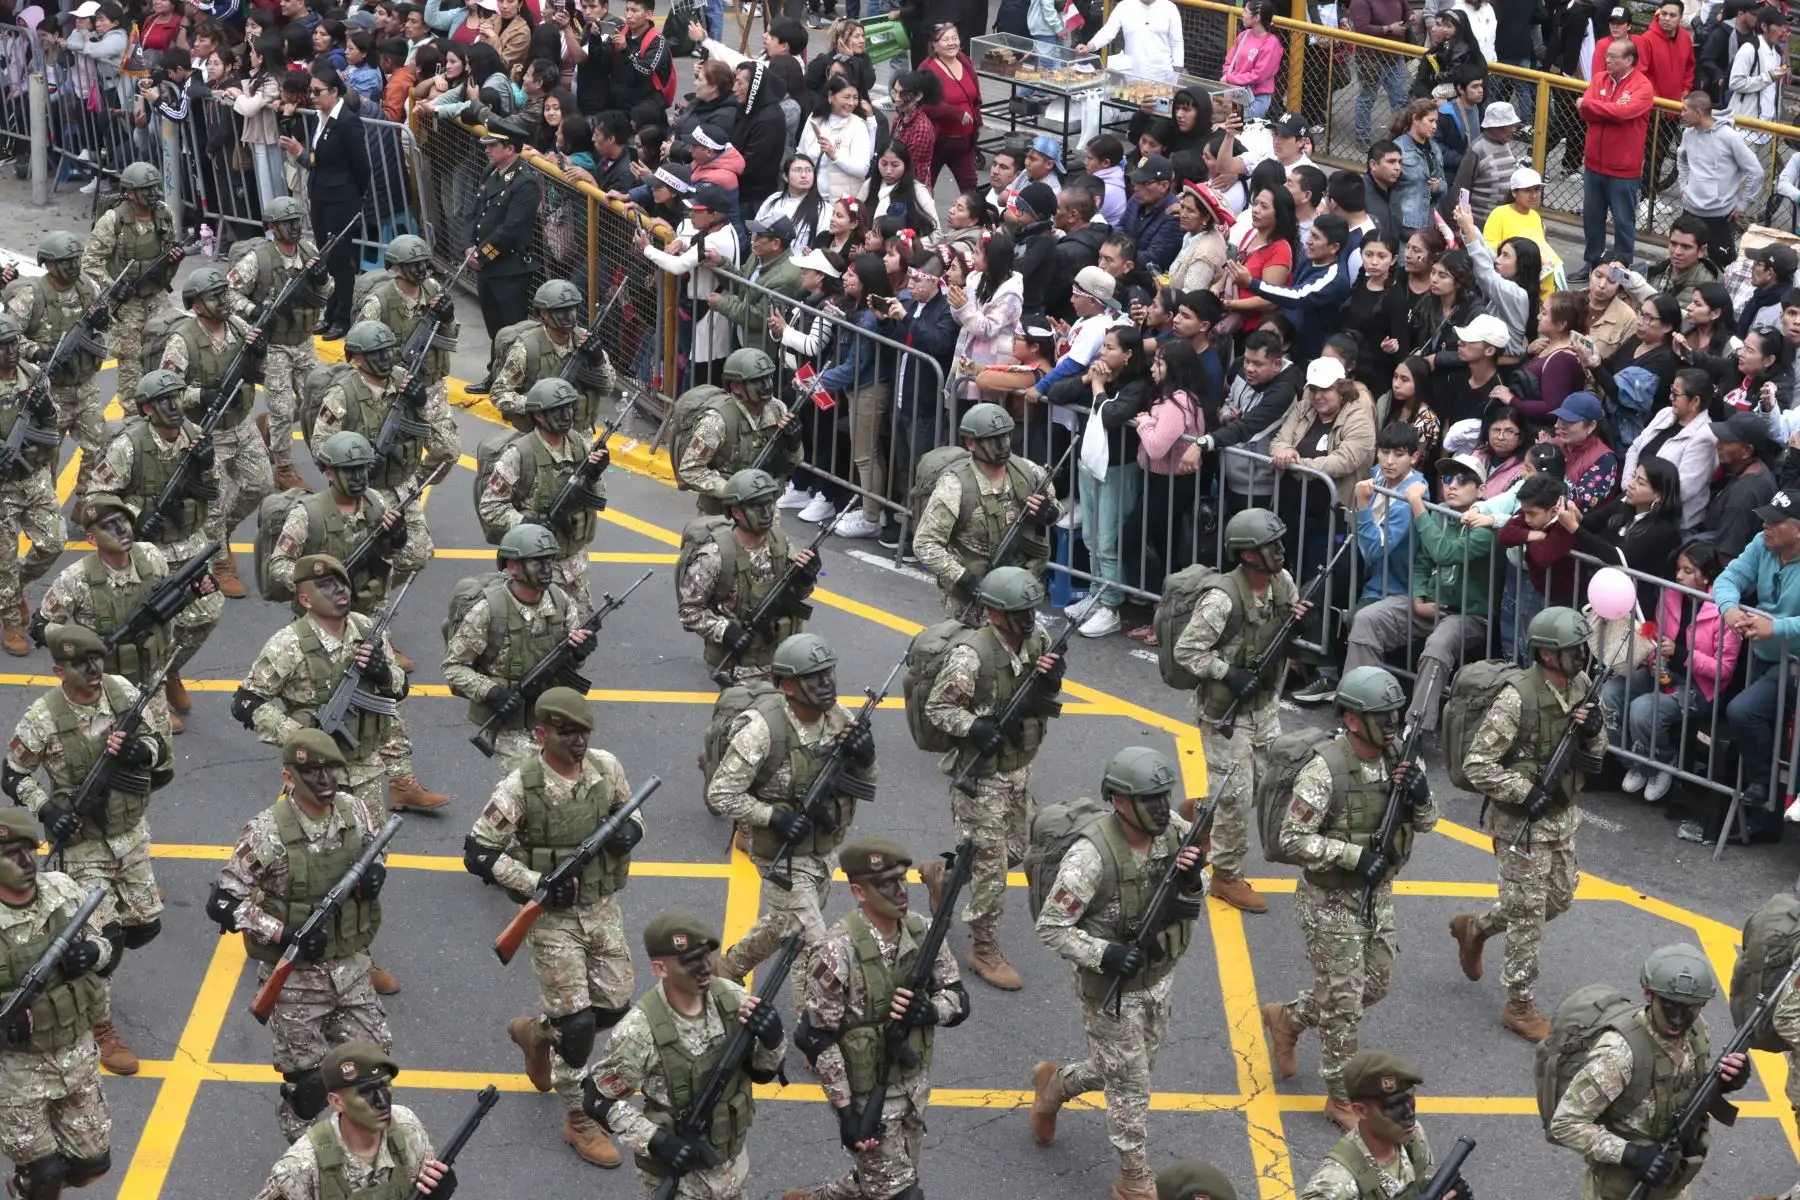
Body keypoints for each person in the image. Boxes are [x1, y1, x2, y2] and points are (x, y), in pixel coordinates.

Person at [463, 686, 641, 1167]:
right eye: (567, 732)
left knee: (614, 1005)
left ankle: (537, 1035)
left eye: (584, 732)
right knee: (578, 1024)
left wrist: (632, 829)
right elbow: (478, 853)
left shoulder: (606, 766)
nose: (578, 741)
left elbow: (630, 808)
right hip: (551, 918)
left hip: (602, 907)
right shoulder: (521, 786)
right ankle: (579, 1119)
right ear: (541, 732)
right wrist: (536, 882)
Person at [1263, 669, 1437, 1126]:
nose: (1391, 723)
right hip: (1330, 901)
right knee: (1343, 1003)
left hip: (1377, 896)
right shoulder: (1326, 770)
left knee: (1374, 986)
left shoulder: (1402, 757)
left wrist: (1420, 796)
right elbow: (1292, 838)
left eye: (1394, 713)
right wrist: (1350, 855)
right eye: (1381, 715)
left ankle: (1290, 1018)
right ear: (1352, 720)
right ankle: (1339, 1097)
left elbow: (1429, 822)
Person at [1030, 746, 1206, 1200]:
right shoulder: (1089, 859)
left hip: (1157, 978)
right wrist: (1104, 954)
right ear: (1120, 802)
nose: (1162, 808)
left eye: (1165, 796)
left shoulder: (1173, 831)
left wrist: (1192, 878)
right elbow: (1051, 928)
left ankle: (1055, 1087)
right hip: (1109, 989)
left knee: (1134, 1068)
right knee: (1131, 1088)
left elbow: (1195, 887)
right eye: (1150, 799)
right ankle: (1133, 1181)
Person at [5, 622, 171, 1076]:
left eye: (96, 659)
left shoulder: (122, 693)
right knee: (104, 939)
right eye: (80, 664)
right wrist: (46, 811)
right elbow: (13, 772)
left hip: (131, 836)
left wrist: (143, 752)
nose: (93, 669)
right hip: (81, 848)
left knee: (143, 928)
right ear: (60, 669)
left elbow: (162, 751)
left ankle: (82, 981)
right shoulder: (43, 717)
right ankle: (100, 1027)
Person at [211, 729, 395, 1140]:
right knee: (311, 1088)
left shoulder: (352, 810)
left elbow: (374, 848)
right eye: (312, 770)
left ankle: (360, 1149)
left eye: (332, 767)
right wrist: (283, 933)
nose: (326, 778)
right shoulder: (266, 833)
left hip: (350, 967)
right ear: (289, 778)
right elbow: (223, 901)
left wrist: (376, 871)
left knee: (372, 1070)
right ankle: (305, 1150)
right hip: (295, 981)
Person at [1448, 606, 1608, 1041]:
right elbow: (1478, 764)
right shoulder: (1517, 697)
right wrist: (1523, 791)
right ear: (1546, 655)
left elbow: (1598, 751)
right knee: (1528, 915)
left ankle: (1475, 929)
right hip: (1521, 826)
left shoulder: (1581, 686)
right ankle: (1520, 1004)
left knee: (1558, 899)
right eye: (1571, 650)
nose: (1581, 656)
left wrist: (1594, 729)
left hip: (1562, 819)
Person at [785, 835, 966, 1200]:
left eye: (902, 880)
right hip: (865, 1093)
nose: (900, 891)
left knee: (890, 1178)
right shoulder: (836, 952)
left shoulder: (923, 932)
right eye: (885, 884)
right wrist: (847, 1112)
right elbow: (815, 1037)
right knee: (902, 1194)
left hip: (914, 1084)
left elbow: (959, 997)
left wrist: (932, 1009)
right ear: (858, 892)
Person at [709, 631, 875, 1009]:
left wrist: (866, 757)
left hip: (823, 847)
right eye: (815, 677)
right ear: (787, 685)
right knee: (815, 945)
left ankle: (729, 966)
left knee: (785, 922)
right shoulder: (763, 730)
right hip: (780, 853)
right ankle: (813, 1025)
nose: (827, 683)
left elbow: (866, 782)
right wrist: (772, 817)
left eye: (829, 673)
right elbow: (720, 793)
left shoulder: (840, 718)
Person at [919, 567, 1065, 990]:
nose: (1029, 618)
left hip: (1019, 767)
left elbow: (1042, 688)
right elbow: (938, 709)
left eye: (1031, 609)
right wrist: (974, 727)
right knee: (992, 868)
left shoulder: (1036, 640)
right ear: (994, 614)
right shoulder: (970, 656)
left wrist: (1053, 678)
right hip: (981, 777)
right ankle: (984, 946)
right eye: (1019, 611)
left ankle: (944, 877)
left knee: (1016, 848)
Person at [579, 911, 787, 1197]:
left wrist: (773, 1040)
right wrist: (656, 1141)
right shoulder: (640, 1031)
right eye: (689, 962)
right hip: (679, 1180)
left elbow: (761, 1073)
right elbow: (597, 1099)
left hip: (731, 1166)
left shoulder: (731, 999)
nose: (703, 969)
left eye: (705, 957)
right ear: (660, 969)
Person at [235, 550, 446, 819]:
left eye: (342, 582)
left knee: (372, 854)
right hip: (316, 776)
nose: (339, 590)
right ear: (305, 599)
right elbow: (245, 702)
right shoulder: (288, 644)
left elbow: (399, 690)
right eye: (325, 586)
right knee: (317, 852)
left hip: (367, 771)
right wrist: (301, 738)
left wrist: (384, 674)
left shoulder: (365, 628)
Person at [1170, 509, 1304, 913]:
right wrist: (1227, 673)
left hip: (1263, 705)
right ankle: (1225, 875)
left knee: (1264, 784)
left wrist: (1296, 623)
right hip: (1225, 711)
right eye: (1270, 546)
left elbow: (1282, 624)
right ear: (1247, 555)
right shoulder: (1221, 599)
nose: (1280, 551)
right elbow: (1187, 651)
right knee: (1237, 794)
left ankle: (1201, 810)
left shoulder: (1282, 583)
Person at [1548, 944, 1752, 1199]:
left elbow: (1686, 1085)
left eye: (1690, 1007)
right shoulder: (1618, 1054)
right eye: (1669, 1005)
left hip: (1671, 1183)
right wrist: (1629, 1153)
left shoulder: (1697, 1031)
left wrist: (1727, 1080)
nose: (1678, 1019)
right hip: (1620, 1189)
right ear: (1647, 994)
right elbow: (1565, 1123)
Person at [88, 372, 225, 724]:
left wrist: (207, 466)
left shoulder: (195, 437)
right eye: (165, 400)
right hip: (146, 549)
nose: (175, 406)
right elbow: (96, 497)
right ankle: (154, 693)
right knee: (153, 625)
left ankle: (170, 669)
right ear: (147, 408)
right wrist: (135, 514)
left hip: (189, 542)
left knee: (207, 611)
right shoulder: (129, 445)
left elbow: (217, 491)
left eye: (178, 397)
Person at [0, 808, 116, 1199]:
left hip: (76, 1054)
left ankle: (28, 1187)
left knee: (94, 1163)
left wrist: (91, 952)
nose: (26, 862)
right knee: (45, 1173)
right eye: (11, 854)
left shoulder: (64, 890)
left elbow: (108, 940)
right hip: (17, 1071)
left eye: (30, 850)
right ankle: (31, 1186)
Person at [1348, 455, 1495, 728]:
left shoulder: (1485, 522)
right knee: (1367, 619)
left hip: (1468, 614)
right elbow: (1423, 564)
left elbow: (1445, 553)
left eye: (1462, 480)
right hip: (1428, 604)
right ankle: (1359, 707)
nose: (1452, 485)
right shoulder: (1437, 512)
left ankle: (1415, 730)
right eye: (1447, 479)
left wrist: (1417, 505)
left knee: (1438, 645)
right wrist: (1417, 599)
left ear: (1481, 489)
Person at [153, 265, 273, 600]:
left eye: (224, 293)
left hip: (241, 423)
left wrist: (258, 356)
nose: (223, 300)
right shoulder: (182, 342)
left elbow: (260, 373)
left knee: (261, 484)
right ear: (196, 305)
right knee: (214, 506)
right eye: (214, 296)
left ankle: (225, 532)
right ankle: (219, 563)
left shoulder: (238, 326)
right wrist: (200, 395)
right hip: (206, 432)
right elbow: (166, 392)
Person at [442, 525, 594, 771]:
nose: (547, 569)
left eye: (549, 560)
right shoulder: (489, 611)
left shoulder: (560, 600)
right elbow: (453, 667)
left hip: (550, 715)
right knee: (529, 785)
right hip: (509, 720)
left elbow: (571, 662)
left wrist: (578, 654)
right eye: (537, 562)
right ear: (512, 566)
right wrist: (491, 692)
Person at [307, 320, 439, 594]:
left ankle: (376, 593)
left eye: (388, 351)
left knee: (418, 553)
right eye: (375, 354)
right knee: (363, 557)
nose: (385, 358)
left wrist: (422, 403)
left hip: (402, 484)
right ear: (356, 358)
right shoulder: (342, 394)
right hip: (363, 490)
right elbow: (320, 444)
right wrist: (356, 457)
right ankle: (366, 605)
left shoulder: (405, 380)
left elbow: (438, 432)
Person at [250, 1041, 454, 1199]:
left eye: (385, 1086)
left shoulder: (405, 1126)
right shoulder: (299, 1170)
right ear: (336, 1102)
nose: (382, 1102)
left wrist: (437, 1189)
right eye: (365, 1093)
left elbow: (424, 1184)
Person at [913, 404, 1059, 620]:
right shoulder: (955, 485)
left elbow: (1055, 506)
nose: (1003, 446)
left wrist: (1050, 513)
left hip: (1019, 589)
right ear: (971, 443)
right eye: (993, 440)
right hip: (971, 595)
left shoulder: (1027, 471)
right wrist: (961, 577)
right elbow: (925, 543)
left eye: (1006, 436)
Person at [478, 379, 610, 618]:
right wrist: (528, 526)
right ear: (538, 415)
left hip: (575, 564)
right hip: (536, 569)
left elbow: (599, 499)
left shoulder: (578, 445)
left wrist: (595, 475)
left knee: (579, 639)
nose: (566, 414)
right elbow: (490, 507)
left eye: (569, 407)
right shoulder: (520, 455)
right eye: (557, 410)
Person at [223, 197, 328, 494]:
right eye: (288, 223)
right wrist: (254, 311)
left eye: (297, 222)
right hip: (276, 345)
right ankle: (284, 468)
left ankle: (267, 425)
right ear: (272, 227)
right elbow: (228, 293)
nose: (296, 228)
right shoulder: (258, 259)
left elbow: (327, 291)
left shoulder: (309, 251)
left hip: (304, 340)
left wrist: (322, 280)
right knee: (283, 409)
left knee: (317, 401)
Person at [1623, 538, 1739, 801]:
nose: (1678, 576)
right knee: (1613, 691)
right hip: (1665, 673)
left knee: (1643, 709)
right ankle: (1638, 763)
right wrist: (1655, 660)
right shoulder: (1670, 594)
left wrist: (1681, 654)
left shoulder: (1725, 611)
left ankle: (1662, 762)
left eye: (1688, 571)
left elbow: (1724, 670)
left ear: (1706, 575)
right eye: (1678, 569)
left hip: (1700, 688)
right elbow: (1657, 638)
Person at [676, 469, 819, 680]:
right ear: (736, 512)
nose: (767, 513)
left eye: (769, 504)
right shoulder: (715, 557)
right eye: (756, 506)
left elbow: (795, 594)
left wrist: (806, 578)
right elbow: (689, 611)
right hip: (739, 668)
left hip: (782, 659)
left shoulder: (778, 541)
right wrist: (725, 631)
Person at [1714, 490, 1800, 841]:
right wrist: (1730, 609)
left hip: (1793, 662)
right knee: (1752, 723)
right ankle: (1764, 817)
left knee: (1744, 712)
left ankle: (1764, 786)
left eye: (1774, 522)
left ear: (1797, 531)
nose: (1765, 526)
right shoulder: (1761, 544)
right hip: (1762, 654)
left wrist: (1775, 626)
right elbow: (1728, 579)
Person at [6, 233, 106, 502]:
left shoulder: (88, 287)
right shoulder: (32, 295)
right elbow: (8, 335)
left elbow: (102, 322)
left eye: (76, 260)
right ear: (48, 265)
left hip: (86, 387)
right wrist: (34, 351)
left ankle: (87, 503)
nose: (74, 266)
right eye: (66, 262)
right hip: (50, 391)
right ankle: (47, 507)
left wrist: (103, 318)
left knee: (99, 448)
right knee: (46, 457)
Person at [79, 162, 183, 410]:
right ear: (130, 192)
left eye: (154, 187)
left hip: (156, 296)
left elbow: (168, 248)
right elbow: (90, 261)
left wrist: (173, 261)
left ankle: (166, 405)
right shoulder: (114, 220)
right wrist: (111, 287)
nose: (152, 193)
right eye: (145, 189)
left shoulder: (164, 213)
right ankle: (131, 417)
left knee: (168, 350)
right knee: (130, 363)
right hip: (126, 303)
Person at [1298, 1051, 1465, 1200]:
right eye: (1394, 1106)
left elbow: (1424, 1182)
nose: (1408, 1114)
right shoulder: (1337, 1184)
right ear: (1361, 1111)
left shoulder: (1412, 1137)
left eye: (1409, 1099)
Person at [673, 347, 803, 516]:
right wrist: (735, 491)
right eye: (757, 381)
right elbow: (690, 469)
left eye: (769, 378)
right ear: (736, 387)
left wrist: (794, 444)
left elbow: (794, 461)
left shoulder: (777, 409)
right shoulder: (717, 420)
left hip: (765, 511)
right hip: (722, 516)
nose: (767, 386)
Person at [462, 122, 542, 395]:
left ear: (510, 149)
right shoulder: (492, 172)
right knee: (495, 328)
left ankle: (518, 380)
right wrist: (467, 247)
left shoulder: (526, 182)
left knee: (513, 331)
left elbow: (512, 230)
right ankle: (497, 373)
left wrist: (482, 255)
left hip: (509, 268)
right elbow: (474, 212)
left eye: (493, 146)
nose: (487, 150)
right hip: (485, 266)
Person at [1579, 36, 1656, 276]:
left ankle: (1621, 269)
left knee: (1623, 222)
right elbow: (1586, 113)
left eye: (1613, 56)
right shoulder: (1600, 78)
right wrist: (1605, 109)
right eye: (1607, 55)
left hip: (1623, 169)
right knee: (1592, 219)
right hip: (1594, 165)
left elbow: (1625, 113)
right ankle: (1592, 264)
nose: (1607, 59)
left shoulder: (1642, 86)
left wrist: (1594, 106)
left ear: (1629, 60)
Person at [1621, 367, 1717, 530]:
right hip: (1633, 501)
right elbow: (1635, 448)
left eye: (1676, 394)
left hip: (1666, 522)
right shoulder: (1666, 413)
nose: (1670, 397)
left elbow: (1682, 490)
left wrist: (1638, 492)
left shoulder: (1705, 437)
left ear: (1695, 401)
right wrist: (1629, 484)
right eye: (1671, 390)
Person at [1676, 89, 1764, 266]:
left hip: (1719, 218)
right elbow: (1682, 159)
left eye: (1685, 110)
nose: (1681, 114)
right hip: (1690, 212)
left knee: (1720, 266)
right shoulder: (1688, 134)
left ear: (1698, 112)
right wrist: (1683, 186)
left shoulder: (1729, 137)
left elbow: (1756, 172)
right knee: (1683, 263)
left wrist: (1744, 203)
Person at [1352, 425, 1428, 603]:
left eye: (1399, 454)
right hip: (1360, 571)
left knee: (1357, 619)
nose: (1389, 461)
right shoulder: (1378, 472)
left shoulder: (1412, 493)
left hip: (1389, 588)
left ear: (1414, 457)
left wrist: (1363, 505)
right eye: (1384, 452)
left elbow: (1375, 550)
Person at [1705, 412, 1778, 561]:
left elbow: (1726, 556)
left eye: (1727, 440)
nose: (1718, 444)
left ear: (1747, 451)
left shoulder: (1743, 496)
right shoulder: (1753, 469)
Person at [1726, 4, 1788, 147]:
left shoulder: (1777, 53)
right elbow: (1735, 83)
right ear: (1765, 27)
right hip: (1743, 131)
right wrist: (1768, 77)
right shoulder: (1749, 48)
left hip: (1767, 132)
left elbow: (1774, 94)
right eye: (1778, 26)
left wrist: (1776, 123)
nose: (1783, 31)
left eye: (1784, 26)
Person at [1076, 0, 1183, 81]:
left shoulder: (1170, 8)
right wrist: (1090, 46)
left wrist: (1177, 75)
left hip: (1163, 78)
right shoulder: (1125, 5)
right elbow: (1108, 31)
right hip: (1132, 76)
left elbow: (1177, 43)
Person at [1350, 0, 1410, 143]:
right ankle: (1362, 137)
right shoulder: (1359, 2)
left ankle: (1400, 137)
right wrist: (1388, 29)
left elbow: (1406, 9)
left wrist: (1411, 16)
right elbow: (1362, 29)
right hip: (1370, 59)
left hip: (1394, 56)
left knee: (1400, 99)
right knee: (1367, 98)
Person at [1390, 100, 1445, 240]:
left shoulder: (1435, 149)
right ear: (1415, 119)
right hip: (1405, 224)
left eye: (1436, 121)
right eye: (1430, 120)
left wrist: (1439, 186)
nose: (1435, 126)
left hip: (1429, 224)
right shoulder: (1398, 149)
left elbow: (1443, 183)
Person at [1222, 0, 1282, 117]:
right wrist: (1228, 77)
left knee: (1238, 129)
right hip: (1235, 93)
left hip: (1255, 99)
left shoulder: (1271, 43)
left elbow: (1259, 75)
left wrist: (1230, 79)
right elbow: (1229, 61)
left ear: (1257, 18)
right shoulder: (1243, 35)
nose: (1242, 14)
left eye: (1246, 11)